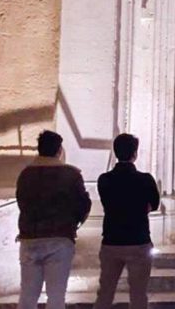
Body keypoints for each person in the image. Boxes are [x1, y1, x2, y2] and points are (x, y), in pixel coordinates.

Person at [16, 130, 91, 309]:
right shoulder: (71, 174)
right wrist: (75, 223)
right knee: (56, 296)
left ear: (39, 149)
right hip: (59, 238)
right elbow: (83, 204)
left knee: (27, 295)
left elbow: (21, 202)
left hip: (30, 238)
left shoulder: (25, 174)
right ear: (59, 150)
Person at [94, 133, 161, 309]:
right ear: (135, 154)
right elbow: (154, 205)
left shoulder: (104, 179)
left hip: (111, 241)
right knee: (138, 295)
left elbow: (107, 202)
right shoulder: (145, 179)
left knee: (105, 293)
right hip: (138, 240)